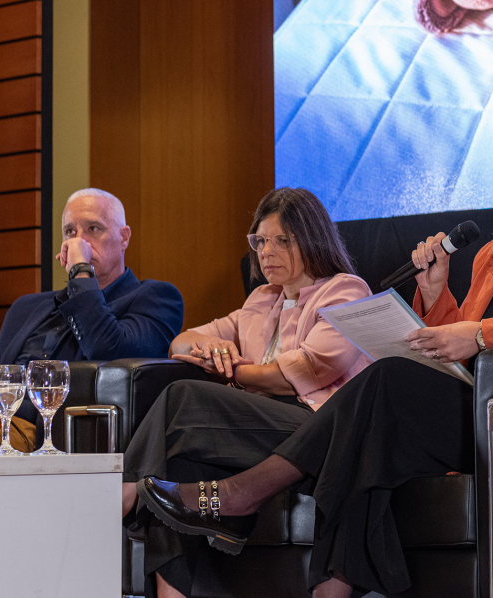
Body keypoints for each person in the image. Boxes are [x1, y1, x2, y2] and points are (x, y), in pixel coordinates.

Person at [136, 127, 493, 598]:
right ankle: (333, 586)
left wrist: (480, 331)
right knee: (372, 431)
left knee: (387, 385)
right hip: (472, 409)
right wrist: (435, 295)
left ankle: (245, 494)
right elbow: (457, 336)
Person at [121, 187, 373, 598]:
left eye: (281, 241)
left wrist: (236, 372)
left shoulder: (346, 291)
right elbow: (181, 342)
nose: (266, 251)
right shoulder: (262, 300)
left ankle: (126, 491)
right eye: (259, 241)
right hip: (259, 427)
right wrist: (209, 350)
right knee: (177, 462)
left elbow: (308, 370)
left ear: (311, 239)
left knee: (183, 396)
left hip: (317, 428)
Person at [0, 188, 184, 453]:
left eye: (93, 229)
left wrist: (81, 273)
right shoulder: (29, 306)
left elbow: (108, 348)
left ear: (124, 237)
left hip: (36, 428)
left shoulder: (155, 297)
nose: (79, 241)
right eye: (70, 231)